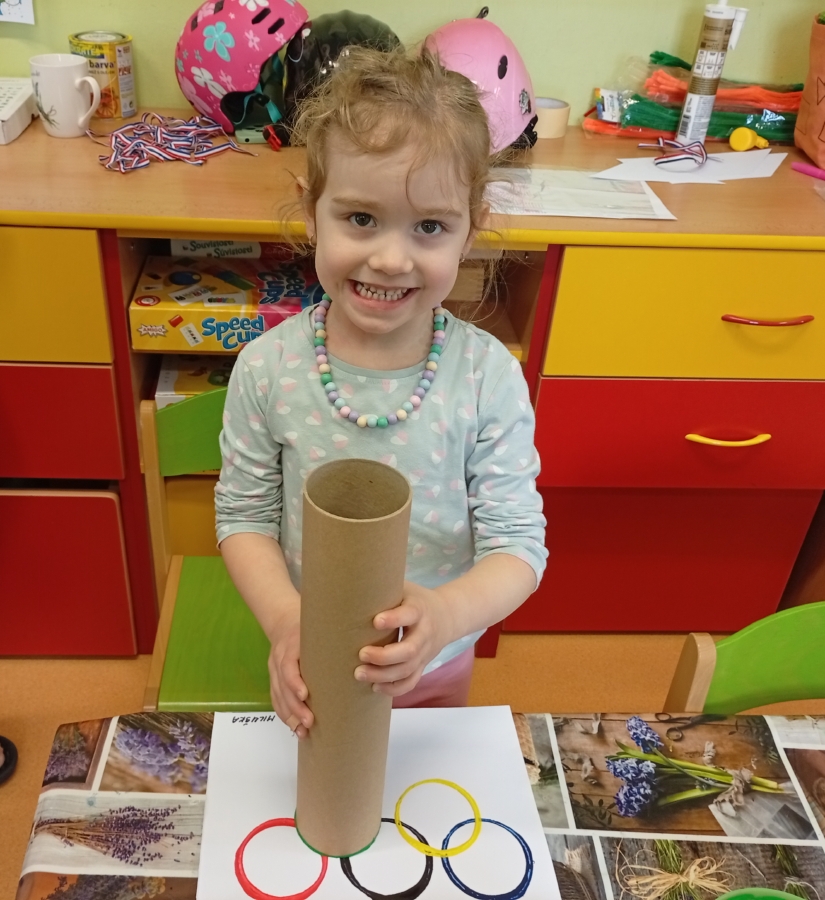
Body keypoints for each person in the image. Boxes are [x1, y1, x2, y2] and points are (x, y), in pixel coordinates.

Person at [215, 47, 547, 738]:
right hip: (305, 656)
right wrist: (285, 620)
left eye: (429, 227)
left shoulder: (486, 377)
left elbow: (518, 546)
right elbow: (244, 517)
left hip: (434, 666)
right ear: (312, 212)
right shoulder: (268, 368)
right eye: (361, 219)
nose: (391, 259)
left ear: (471, 227)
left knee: (412, 795)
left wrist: (445, 618)